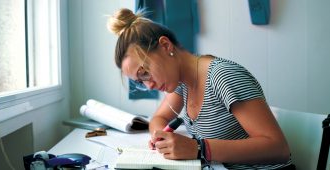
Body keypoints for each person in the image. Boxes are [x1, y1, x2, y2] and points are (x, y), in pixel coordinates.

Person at [107, 8, 294, 169]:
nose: (149, 85)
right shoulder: (181, 83)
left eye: (145, 72)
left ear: (165, 46)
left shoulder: (223, 76)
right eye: (140, 81)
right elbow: (160, 118)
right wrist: (160, 136)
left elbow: (279, 149)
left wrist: (199, 148)